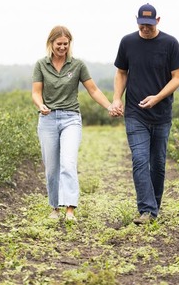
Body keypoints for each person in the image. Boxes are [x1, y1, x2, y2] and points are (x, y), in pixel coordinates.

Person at [32, 25, 116, 222]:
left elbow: (93, 90)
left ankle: (70, 209)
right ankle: (54, 207)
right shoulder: (41, 65)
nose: (62, 47)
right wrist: (40, 105)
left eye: (66, 44)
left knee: (68, 163)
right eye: (59, 44)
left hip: (70, 118)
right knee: (51, 168)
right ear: (51, 43)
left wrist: (109, 106)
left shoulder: (77, 65)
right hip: (48, 119)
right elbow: (36, 92)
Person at [110, 3, 179, 224]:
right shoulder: (128, 42)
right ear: (137, 21)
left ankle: (154, 208)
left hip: (162, 114)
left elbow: (177, 78)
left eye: (149, 25)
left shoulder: (170, 44)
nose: (145, 29)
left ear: (157, 21)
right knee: (140, 159)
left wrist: (157, 97)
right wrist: (117, 98)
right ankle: (147, 211)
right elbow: (121, 72)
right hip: (135, 113)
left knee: (158, 164)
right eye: (141, 25)